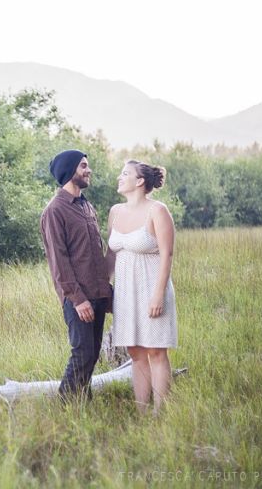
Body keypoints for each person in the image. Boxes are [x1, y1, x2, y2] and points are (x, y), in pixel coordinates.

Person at [40, 149, 113, 400]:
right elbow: (59, 261)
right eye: (83, 166)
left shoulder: (86, 206)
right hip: (78, 298)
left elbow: (95, 252)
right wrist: (78, 298)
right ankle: (65, 405)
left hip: (97, 293)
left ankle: (83, 402)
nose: (88, 170)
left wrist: (106, 291)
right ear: (70, 171)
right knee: (82, 352)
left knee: (92, 353)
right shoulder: (55, 210)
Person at [107, 160, 178, 414]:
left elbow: (167, 254)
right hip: (125, 293)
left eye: (124, 173)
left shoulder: (157, 211)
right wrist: (101, 288)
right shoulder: (115, 211)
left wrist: (158, 294)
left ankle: (161, 413)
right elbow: (111, 255)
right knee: (136, 353)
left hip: (151, 288)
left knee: (156, 351)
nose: (119, 177)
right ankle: (141, 411)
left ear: (139, 181)